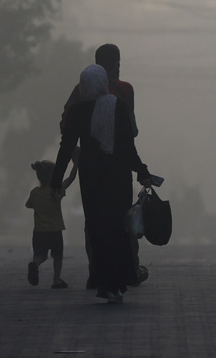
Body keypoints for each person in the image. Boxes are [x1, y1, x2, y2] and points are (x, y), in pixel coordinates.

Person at [53, 64, 153, 304]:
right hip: (117, 177)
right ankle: (117, 282)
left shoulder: (77, 112)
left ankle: (104, 281)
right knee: (118, 229)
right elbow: (128, 146)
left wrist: (56, 179)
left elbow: (66, 148)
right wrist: (142, 171)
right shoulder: (116, 106)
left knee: (97, 229)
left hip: (91, 179)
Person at [25, 151, 80, 288]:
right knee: (57, 256)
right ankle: (56, 279)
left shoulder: (34, 192)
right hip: (55, 231)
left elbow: (28, 205)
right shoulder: (56, 190)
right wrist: (76, 165)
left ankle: (35, 264)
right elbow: (71, 178)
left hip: (39, 232)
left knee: (40, 255)